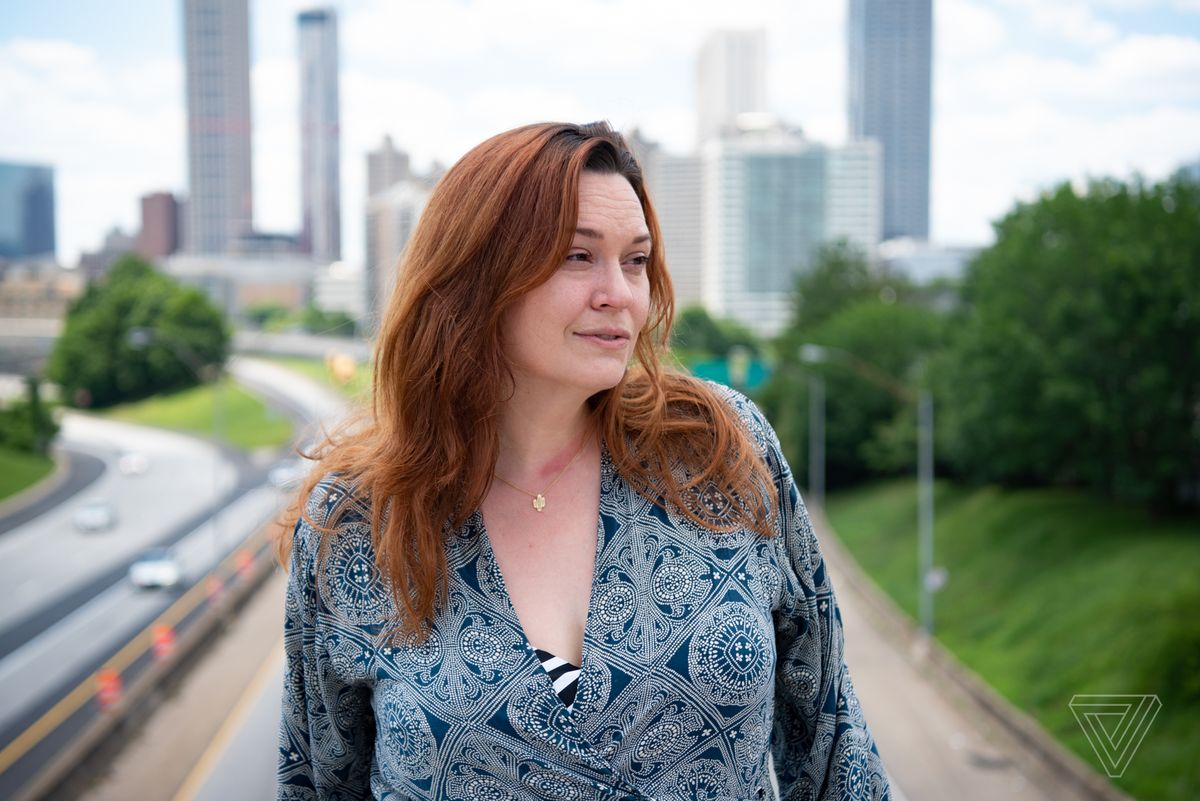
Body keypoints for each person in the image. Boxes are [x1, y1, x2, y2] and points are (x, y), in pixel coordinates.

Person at [277, 121, 891, 801]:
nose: (620, 294)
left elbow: (833, 740)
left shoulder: (718, 449)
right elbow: (315, 780)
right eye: (577, 256)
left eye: (635, 260)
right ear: (476, 275)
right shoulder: (357, 522)